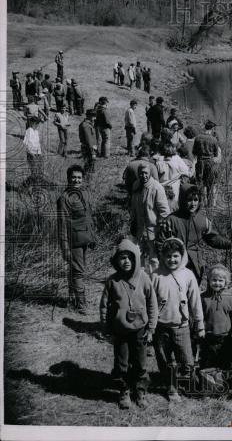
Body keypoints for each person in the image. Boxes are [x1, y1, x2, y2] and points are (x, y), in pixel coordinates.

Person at [99, 238, 158, 409]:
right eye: (122, 258)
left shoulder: (144, 278)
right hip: (120, 330)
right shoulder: (112, 281)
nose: (126, 262)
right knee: (121, 363)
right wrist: (106, 326)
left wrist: (152, 327)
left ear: (136, 259)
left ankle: (140, 391)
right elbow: (104, 305)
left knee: (140, 363)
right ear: (116, 260)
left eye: (130, 258)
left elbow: (152, 303)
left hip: (140, 329)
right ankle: (124, 390)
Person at [152, 237, 205, 403]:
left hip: (181, 326)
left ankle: (191, 385)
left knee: (187, 360)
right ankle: (172, 387)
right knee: (166, 361)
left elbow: (195, 302)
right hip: (160, 327)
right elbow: (149, 303)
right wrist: (149, 326)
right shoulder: (155, 275)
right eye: (168, 256)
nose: (172, 260)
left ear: (182, 256)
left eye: (175, 256)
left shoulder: (188, 275)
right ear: (162, 256)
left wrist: (200, 325)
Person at [157, 184, 232, 286]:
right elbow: (160, 243)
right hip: (174, 265)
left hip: (195, 266)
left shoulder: (202, 220)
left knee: (193, 295)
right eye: (189, 200)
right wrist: (166, 263)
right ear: (182, 200)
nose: (193, 204)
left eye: (195, 200)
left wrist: (231, 244)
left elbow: (213, 239)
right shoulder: (171, 220)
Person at [57, 165, 96, 313]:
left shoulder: (84, 193)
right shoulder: (64, 198)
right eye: (73, 177)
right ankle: (81, 304)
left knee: (75, 270)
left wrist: (93, 237)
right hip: (73, 241)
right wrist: (65, 247)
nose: (76, 180)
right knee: (78, 271)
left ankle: (72, 298)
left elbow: (89, 217)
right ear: (68, 179)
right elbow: (62, 224)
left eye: (79, 177)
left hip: (85, 239)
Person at [199, 264, 232, 375]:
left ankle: (223, 386)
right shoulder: (203, 298)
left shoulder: (231, 299)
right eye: (214, 280)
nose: (217, 283)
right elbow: (199, 317)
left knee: (224, 363)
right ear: (209, 280)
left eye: (220, 280)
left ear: (226, 282)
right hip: (208, 336)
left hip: (225, 338)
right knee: (208, 363)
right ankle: (208, 386)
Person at [130, 164, 171, 271]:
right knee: (137, 255)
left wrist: (161, 230)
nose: (143, 175)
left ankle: (155, 281)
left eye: (146, 173)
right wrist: (133, 221)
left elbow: (164, 211)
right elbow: (133, 206)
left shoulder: (157, 188)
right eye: (141, 173)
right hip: (139, 229)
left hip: (153, 230)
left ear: (150, 173)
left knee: (154, 258)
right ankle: (141, 280)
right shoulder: (136, 185)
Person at [156, 144, 194, 212]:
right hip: (174, 188)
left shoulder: (158, 163)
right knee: (173, 208)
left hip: (161, 187)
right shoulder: (177, 163)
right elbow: (189, 174)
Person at [192, 122, 221, 208]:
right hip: (210, 163)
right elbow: (216, 154)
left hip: (200, 162)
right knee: (210, 185)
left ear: (205, 128)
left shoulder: (197, 138)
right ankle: (210, 205)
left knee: (200, 183)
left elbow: (194, 152)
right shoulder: (214, 139)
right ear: (212, 129)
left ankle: (200, 204)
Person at [23, 117, 43, 181]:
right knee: (33, 170)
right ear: (31, 123)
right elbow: (26, 143)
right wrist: (30, 153)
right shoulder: (28, 131)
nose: (36, 125)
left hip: (37, 153)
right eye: (35, 123)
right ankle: (31, 184)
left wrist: (40, 153)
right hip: (31, 154)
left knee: (38, 169)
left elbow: (38, 143)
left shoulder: (36, 131)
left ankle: (36, 183)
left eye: (37, 123)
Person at [79, 109, 97, 175]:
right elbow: (88, 140)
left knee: (89, 166)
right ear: (89, 116)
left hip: (88, 148)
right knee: (90, 167)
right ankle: (88, 182)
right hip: (88, 149)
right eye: (94, 116)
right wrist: (92, 152)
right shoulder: (86, 125)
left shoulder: (87, 124)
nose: (95, 118)